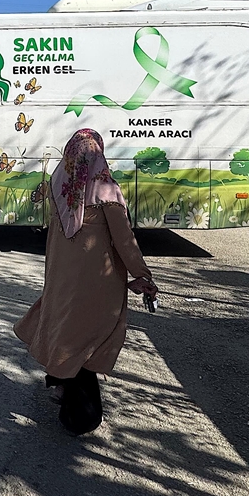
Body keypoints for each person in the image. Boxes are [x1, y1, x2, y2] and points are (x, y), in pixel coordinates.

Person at [14, 128, 158, 435]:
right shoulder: (105, 189)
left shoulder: (58, 181)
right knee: (87, 340)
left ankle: (60, 384)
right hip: (97, 281)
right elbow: (124, 239)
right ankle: (80, 416)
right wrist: (141, 273)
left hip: (61, 277)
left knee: (65, 328)